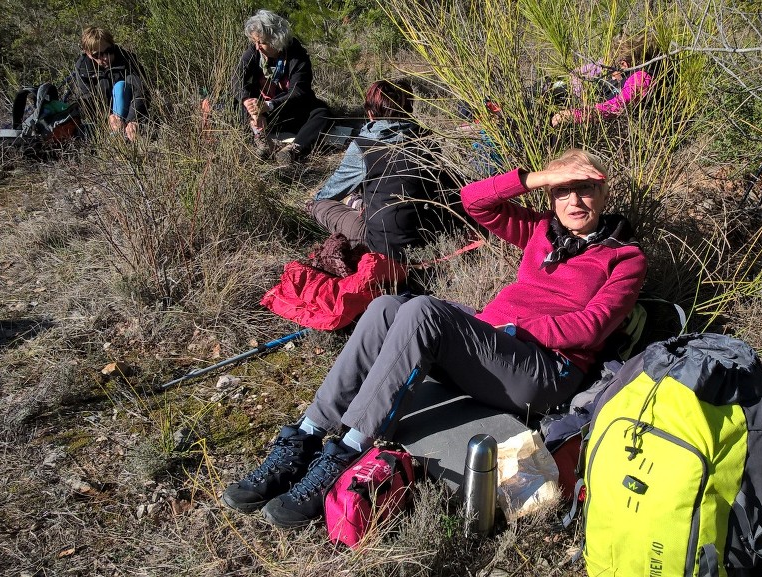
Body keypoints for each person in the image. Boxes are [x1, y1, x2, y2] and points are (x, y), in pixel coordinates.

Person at [221, 149, 647, 528]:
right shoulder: (541, 231)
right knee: (388, 307)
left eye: (586, 189)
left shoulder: (625, 257)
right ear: (551, 196)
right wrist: (535, 178)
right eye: (563, 190)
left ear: (604, 193)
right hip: (497, 348)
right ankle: (307, 435)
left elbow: (592, 326)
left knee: (426, 312)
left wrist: (512, 329)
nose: (574, 201)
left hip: (544, 370)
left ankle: (347, 451)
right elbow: (474, 201)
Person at [305, 79, 459, 261]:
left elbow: (330, 193)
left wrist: (315, 199)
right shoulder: (426, 138)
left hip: (383, 246)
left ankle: (352, 204)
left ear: (370, 113)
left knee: (319, 205)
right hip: (428, 236)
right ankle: (357, 203)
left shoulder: (365, 146)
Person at [236, 9, 331, 164]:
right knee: (232, 103)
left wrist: (268, 105)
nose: (257, 46)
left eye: (262, 42)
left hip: (287, 109)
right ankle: (261, 140)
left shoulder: (297, 55)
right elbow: (238, 78)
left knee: (321, 112)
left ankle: (293, 150)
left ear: (276, 39)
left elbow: (299, 90)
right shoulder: (253, 52)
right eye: (255, 42)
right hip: (260, 114)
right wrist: (249, 103)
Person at [551, 38, 656, 127]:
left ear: (624, 65)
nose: (610, 75)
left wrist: (575, 114)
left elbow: (616, 106)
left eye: (611, 71)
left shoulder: (641, 79)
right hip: (590, 109)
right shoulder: (616, 64)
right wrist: (582, 97)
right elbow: (576, 73)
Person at [71, 27, 147, 142]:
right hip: (104, 119)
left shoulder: (127, 60)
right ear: (88, 54)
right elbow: (87, 100)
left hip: (131, 113)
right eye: (98, 55)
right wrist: (107, 117)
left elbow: (140, 91)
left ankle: (121, 134)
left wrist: (134, 119)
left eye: (109, 51)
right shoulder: (83, 69)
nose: (106, 58)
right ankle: (115, 136)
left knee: (121, 87)